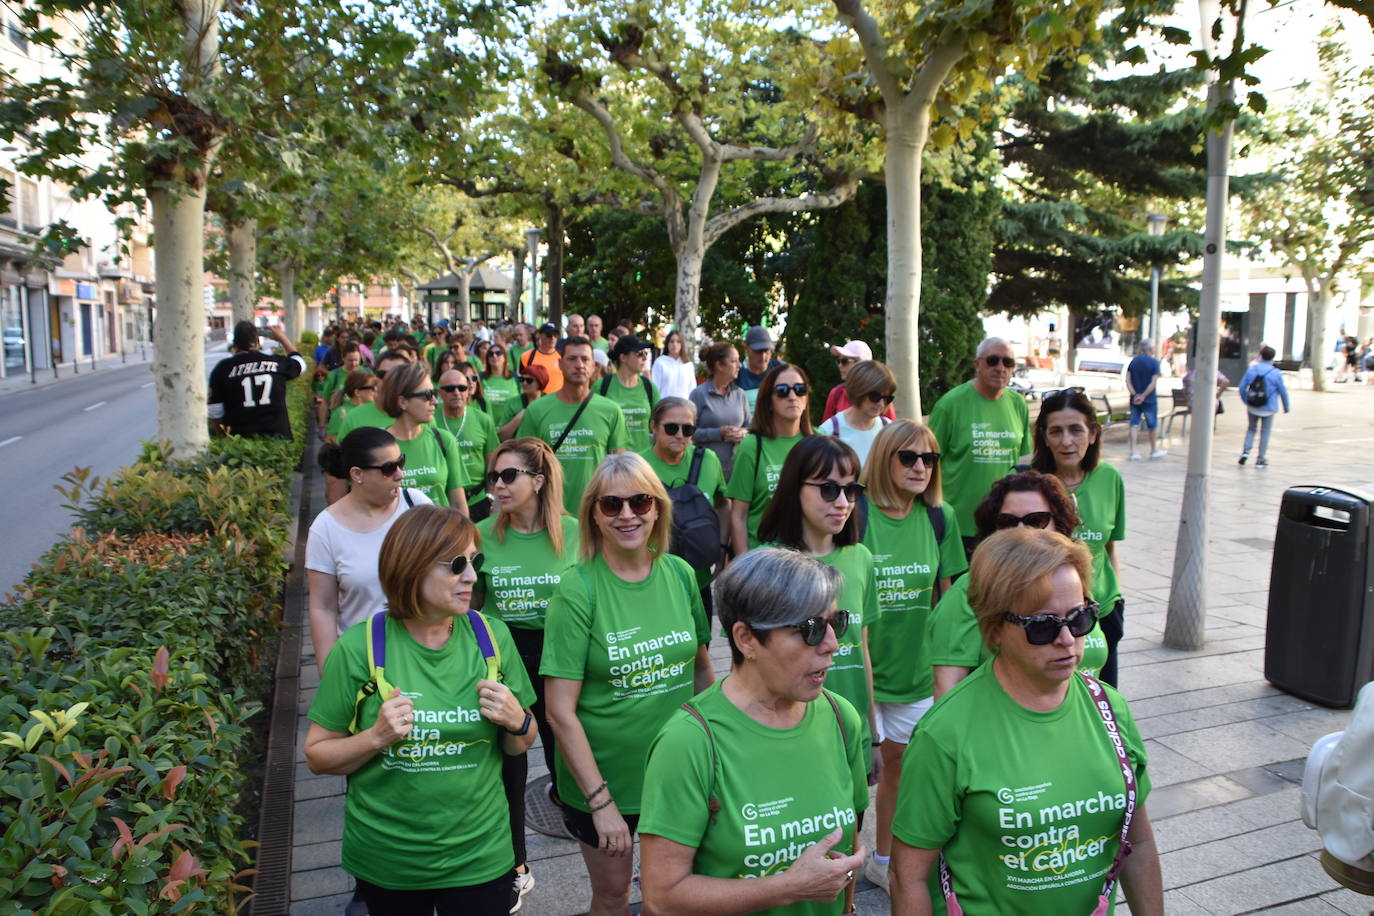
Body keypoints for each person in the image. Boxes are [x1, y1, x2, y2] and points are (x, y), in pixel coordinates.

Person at [890, 527, 1163, 916]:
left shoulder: (1109, 707)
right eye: (1043, 626)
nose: (1068, 640)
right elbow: (909, 875)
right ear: (995, 628)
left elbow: (1140, 844)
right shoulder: (945, 733)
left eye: (1081, 618)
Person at [304, 506, 537, 914]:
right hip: (391, 861)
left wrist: (518, 723)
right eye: (457, 565)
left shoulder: (491, 636)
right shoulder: (361, 647)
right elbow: (318, 755)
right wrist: (375, 737)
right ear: (411, 566)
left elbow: (522, 744)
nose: (471, 576)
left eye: (475, 562)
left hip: (481, 856)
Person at [638, 549, 869, 916]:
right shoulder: (689, 742)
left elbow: (847, 849)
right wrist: (788, 888)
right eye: (810, 629)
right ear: (746, 639)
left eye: (836, 622)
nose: (832, 644)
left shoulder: (842, 718)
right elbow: (662, 896)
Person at [541, 453, 714, 916]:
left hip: (677, 776)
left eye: (640, 501)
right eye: (611, 504)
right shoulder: (576, 589)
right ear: (593, 514)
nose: (627, 514)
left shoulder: (679, 574)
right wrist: (601, 804)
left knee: (677, 897)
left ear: (657, 507)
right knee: (614, 898)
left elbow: (701, 671)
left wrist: (716, 757)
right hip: (604, 782)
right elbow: (559, 711)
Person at [857, 421, 967, 894]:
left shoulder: (940, 516)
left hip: (914, 673)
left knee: (900, 771)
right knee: (850, 777)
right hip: (851, 674)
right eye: (909, 457)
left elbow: (951, 603)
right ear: (884, 459)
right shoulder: (854, 513)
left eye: (929, 459)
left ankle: (882, 860)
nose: (921, 467)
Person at [475, 439, 580, 913]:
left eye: (508, 476)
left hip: (562, 657)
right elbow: (468, 605)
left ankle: (585, 823)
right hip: (504, 655)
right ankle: (516, 864)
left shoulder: (576, 533)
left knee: (567, 749)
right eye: (493, 477)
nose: (497, 485)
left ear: (538, 481)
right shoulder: (478, 534)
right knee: (511, 764)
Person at [926, 471, 1107, 700]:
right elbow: (946, 692)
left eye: (1036, 521)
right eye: (1007, 522)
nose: (1022, 532)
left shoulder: (1070, 581)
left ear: (1059, 524)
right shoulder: (970, 589)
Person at [758, 436, 879, 774]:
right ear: (795, 488)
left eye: (851, 490)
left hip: (851, 732)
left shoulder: (861, 559)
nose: (842, 502)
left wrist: (873, 733)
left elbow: (861, 651)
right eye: (828, 489)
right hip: (790, 737)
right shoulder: (768, 564)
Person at [308, 427, 432, 666]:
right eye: (388, 468)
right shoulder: (325, 529)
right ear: (357, 474)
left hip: (426, 656)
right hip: (365, 663)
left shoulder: (417, 505)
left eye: (401, 462)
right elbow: (323, 608)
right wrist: (330, 673)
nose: (400, 475)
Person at [1031, 387, 1128, 687]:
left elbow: (1109, 547)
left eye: (1076, 430)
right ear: (1044, 437)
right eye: (1056, 431)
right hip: (1050, 620)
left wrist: (1116, 599)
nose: (1067, 441)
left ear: (1094, 434)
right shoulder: (1027, 484)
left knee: (1103, 703)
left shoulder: (1109, 478)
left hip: (1103, 611)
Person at [927, 337, 1032, 556]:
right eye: (992, 361)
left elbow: (1024, 462)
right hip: (959, 526)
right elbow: (929, 463)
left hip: (1006, 524)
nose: (1000, 368)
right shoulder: (950, 405)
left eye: (1008, 362)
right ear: (977, 365)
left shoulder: (1018, 404)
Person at [516, 337, 629, 514]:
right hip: (549, 512)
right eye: (572, 359)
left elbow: (620, 469)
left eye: (585, 359)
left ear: (594, 365)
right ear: (560, 364)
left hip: (598, 513)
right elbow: (523, 464)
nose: (579, 365)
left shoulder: (611, 410)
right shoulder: (537, 410)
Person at [639, 397, 728, 616]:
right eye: (671, 428)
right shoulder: (637, 466)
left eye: (688, 429)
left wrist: (722, 549)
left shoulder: (708, 460)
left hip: (698, 581)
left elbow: (723, 505)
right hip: (651, 583)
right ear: (654, 426)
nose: (679, 435)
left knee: (703, 648)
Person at [727, 363, 813, 552]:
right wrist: (744, 569)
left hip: (810, 564)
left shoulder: (818, 443)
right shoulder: (751, 446)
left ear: (806, 398)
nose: (792, 397)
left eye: (800, 390)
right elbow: (738, 516)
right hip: (763, 564)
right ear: (769, 400)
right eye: (782, 391)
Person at [379, 360, 470, 510]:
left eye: (434, 393)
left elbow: (459, 504)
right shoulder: (379, 445)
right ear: (402, 402)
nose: (434, 401)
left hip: (442, 531)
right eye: (427, 395)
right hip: (398, 533)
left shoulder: (444, 440)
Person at [208, 320, 306, 439]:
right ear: (258, 342)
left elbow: (214, 411)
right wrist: (282, 338)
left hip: (240, 443)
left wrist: (222, 437)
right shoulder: (275, 363)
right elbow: (301, 365)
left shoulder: (222, 369)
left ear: (234, 345)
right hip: (278, 440)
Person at [434, 368, 500, 522]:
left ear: (469, 390)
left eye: (462, 388)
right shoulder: (431, 419)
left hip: (479, 499)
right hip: (445, 501)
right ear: (440, 392)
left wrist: (490, 494)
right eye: (450, 389)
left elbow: (492, 460)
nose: (456, 392)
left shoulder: (483, 419)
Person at [690, 342, 751, 481]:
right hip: (707, 470)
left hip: (738, 470)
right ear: (720, 365)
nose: (740, 365)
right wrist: (718, 433)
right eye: (734, 361)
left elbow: (752, 427)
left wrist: (743, 433)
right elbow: (689, 433)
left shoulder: (740, 394)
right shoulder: (698, 395)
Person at [818, 359, 896, 468]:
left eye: (887, 398)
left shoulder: (890, 429)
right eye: (875, 397)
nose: (881, 403)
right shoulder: (829, 431)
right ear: (858, 391)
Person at [599, 333, 659, 452]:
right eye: (639, 354)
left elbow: (659, 423)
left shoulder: (649, 387)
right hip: (612, 462)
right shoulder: (602, 386)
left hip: (643, 460)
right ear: (623, 357)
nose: (645, 358)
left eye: (645, 353)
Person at [1238, 345, 1291, 468]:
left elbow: (1241, 387)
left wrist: (1246, 400)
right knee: (1265, 432)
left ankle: (1245, 453)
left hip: (1252, 405)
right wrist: (1286, 406)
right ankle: (1260, 459)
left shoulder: (1252, 369)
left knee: (1251, 429)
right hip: (1269, 407)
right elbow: (1283, 391)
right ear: (1273, 357)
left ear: (1260, 355)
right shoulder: (1276, 373)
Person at [821, 340, 895, 423]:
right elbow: (825, 432)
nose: (840, 365)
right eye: (839, 361)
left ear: (862, 364)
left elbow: (890, 431)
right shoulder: (837, 393)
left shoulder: (882, 394)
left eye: (844, 361)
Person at [1126, 339, 1166, 461]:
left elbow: (1128, 380)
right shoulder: (1155, 363)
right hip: (1149, 400)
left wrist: (1135, 395)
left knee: (1134, 423)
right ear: (1150, 349)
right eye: (1154, 346)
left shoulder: (1133, 362)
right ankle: (1153, 450)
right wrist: (1143, 396)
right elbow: (1152, 383)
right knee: (1152, 425)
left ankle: (1133, 451)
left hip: (1134, 399)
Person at [737, 325, 785, 410]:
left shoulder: (781, 369)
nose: (763, 356)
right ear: (746, 348)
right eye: (758, 351)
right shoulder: (736, 374)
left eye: (766, 350)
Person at [325, 370, 379, 445]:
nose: (376, 390)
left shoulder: (376, 409)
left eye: (376, 387)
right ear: (357, 392)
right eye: (372, 388)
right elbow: (333, 441)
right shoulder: (341, 413)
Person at [519, 323, 564, 393]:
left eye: (555, 335)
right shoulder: (527, 356)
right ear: (539, 335)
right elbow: (521, 381)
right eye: (548, 335)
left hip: (557, 400)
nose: (552, 338)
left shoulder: (562, 357)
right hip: (536, 400)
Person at [482, 344, 521, 427]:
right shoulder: (481, 378)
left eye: (498, 353)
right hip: (487, 428)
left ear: (505, 357)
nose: (494, 356)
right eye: (490, 354)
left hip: (511, 429)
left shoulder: (516, 378)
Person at [651, 329, 697, 400]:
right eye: (672, 341)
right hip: (665, 406)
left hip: (685, 406)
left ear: (682, 344)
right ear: (667, 344)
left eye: (678, 342)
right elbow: (655, 388)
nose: (675, 345)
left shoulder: (688, 365)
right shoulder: (660, 362)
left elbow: (692, 388)